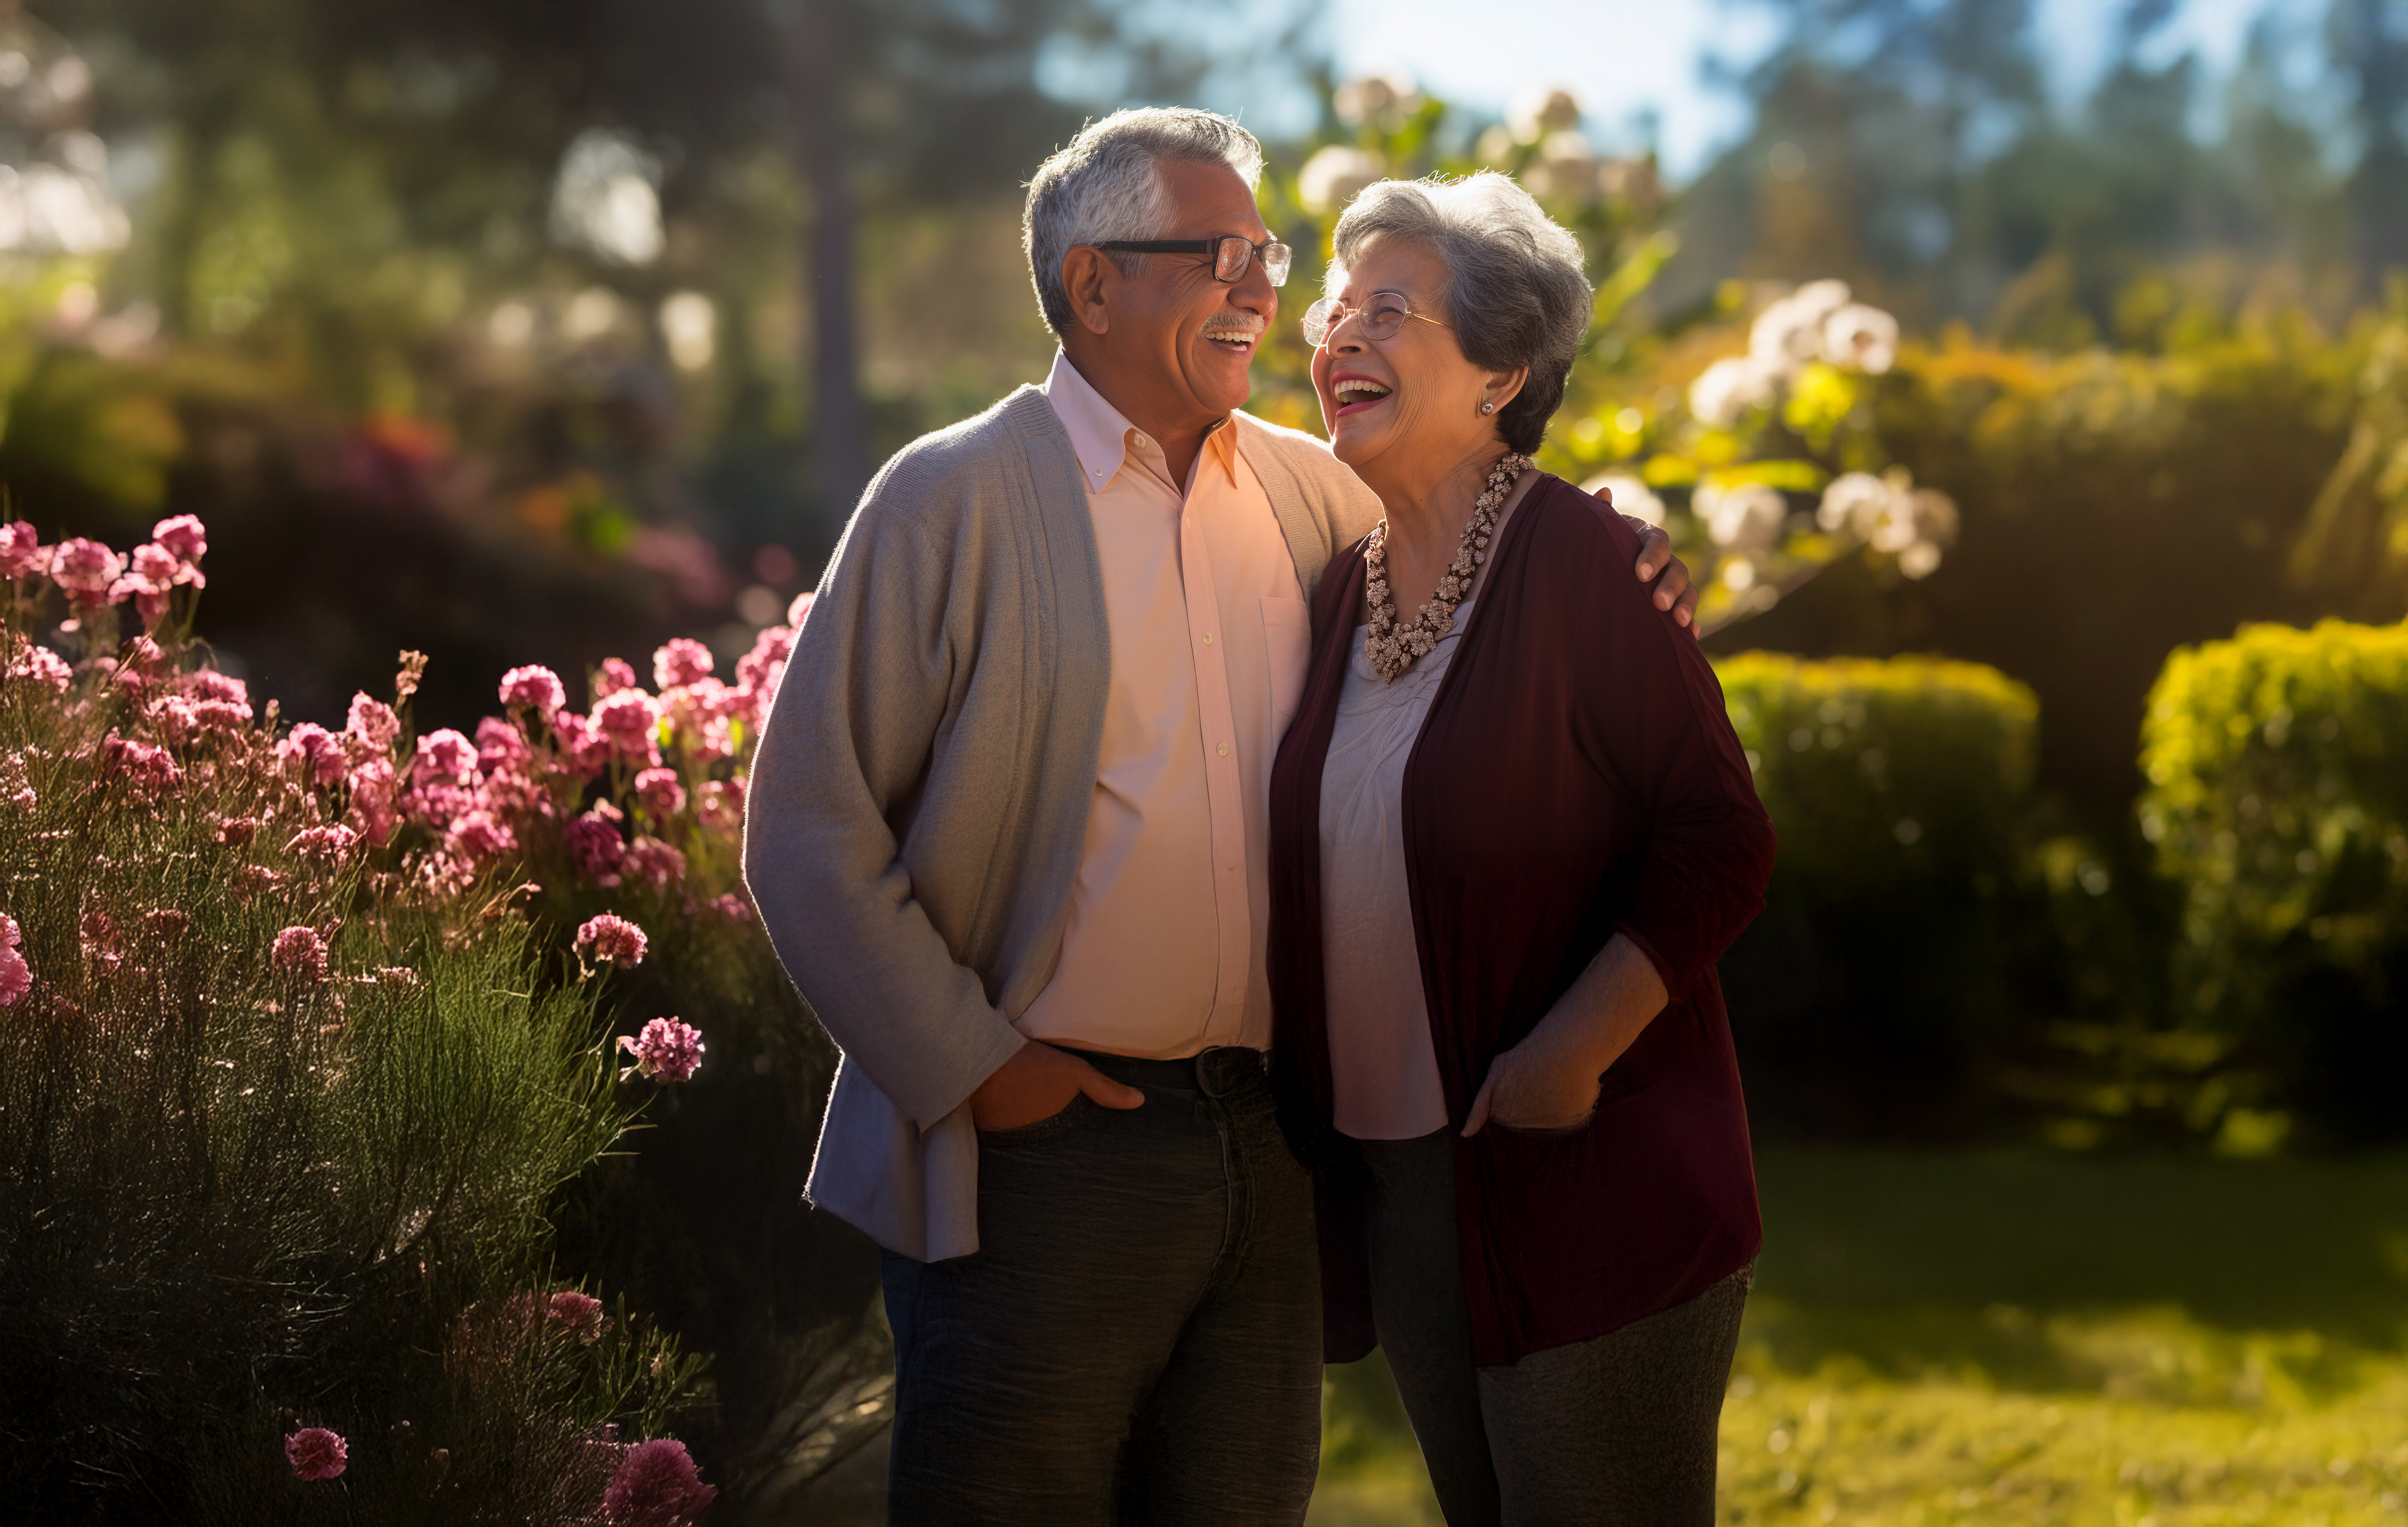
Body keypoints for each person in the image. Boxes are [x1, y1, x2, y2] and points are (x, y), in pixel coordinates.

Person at [744, 110, 1696, 1526]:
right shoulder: (951, 497)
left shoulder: (1315, 493)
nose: (1265, 290)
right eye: (1219, 254)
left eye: (1268, 254)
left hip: (1268, 1150)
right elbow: (807, 827)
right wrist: (975, 1067)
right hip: (1040, 1152)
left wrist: (1619, 539)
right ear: (1094, 286)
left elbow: (1477, 522)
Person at [1266, 171, 1777, 1527]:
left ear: (1501, 371)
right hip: (1407, 1183)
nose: (1340, 338)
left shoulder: (1586, 563)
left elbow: (1722, 832)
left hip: (1585, 1167)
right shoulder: (1336, 591)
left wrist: (1574, 1048)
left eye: (1391, 309)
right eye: (1335, 308)